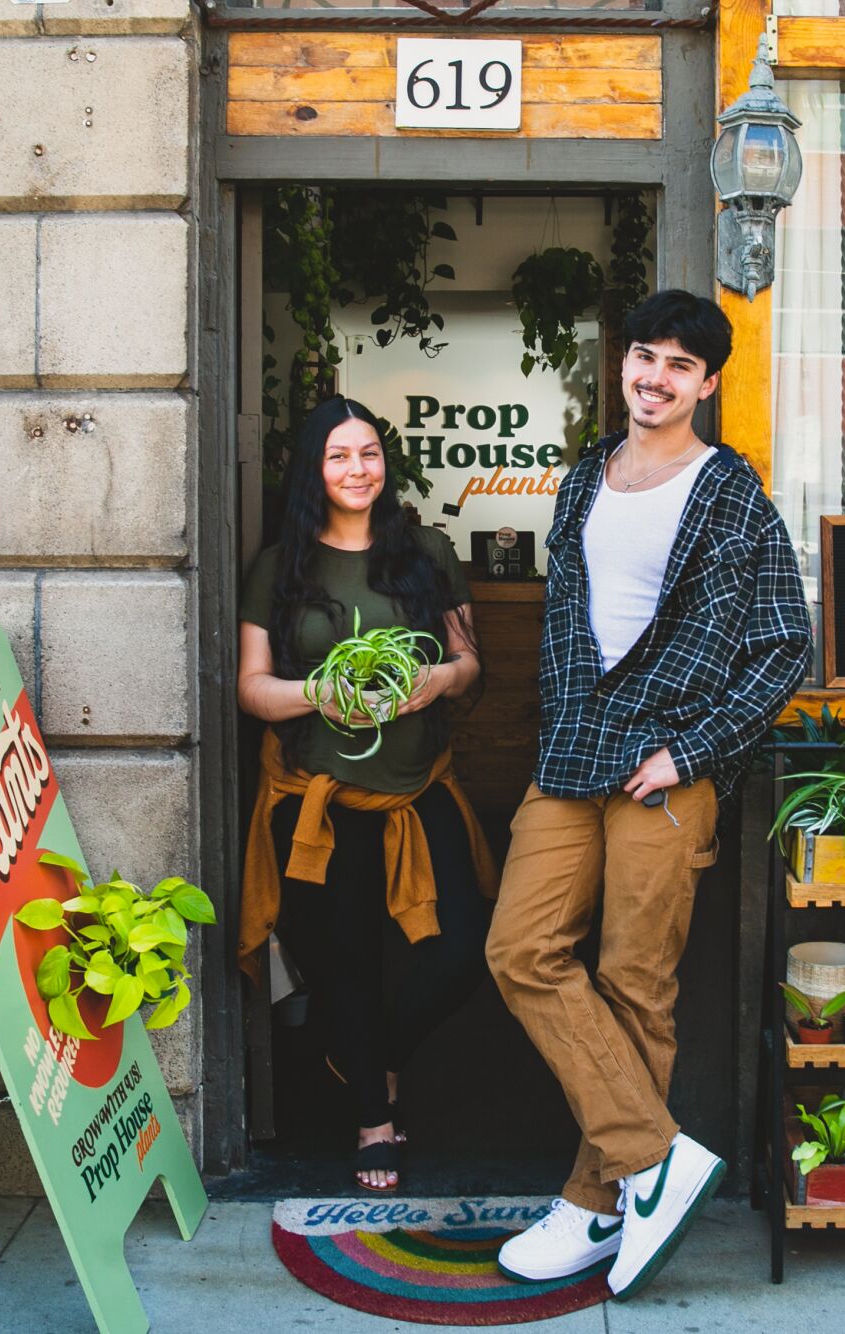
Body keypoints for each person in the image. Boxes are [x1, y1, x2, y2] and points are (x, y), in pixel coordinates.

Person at [488, 290, 813, 1298]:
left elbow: (782, 647)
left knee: (635, 980)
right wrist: (553, 723)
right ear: (620, 365)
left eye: (678, 363)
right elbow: (564, 620)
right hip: (572, 755)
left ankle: (595, 1202)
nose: (655, 376)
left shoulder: (729, 495)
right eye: (642, 355)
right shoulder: (583, 475)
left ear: (705, 384)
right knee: (519, 948)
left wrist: (694, 750)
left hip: (664, 774)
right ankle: (653, 1157)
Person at [238, 396, 496, 1194]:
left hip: (419, 791)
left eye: (371, 453)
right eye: (340, 456)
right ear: (315, 470)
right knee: (343, 960)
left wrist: (437, 680)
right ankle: (371, 1117)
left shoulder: (425, 551)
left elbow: (469, 664)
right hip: (319, 798)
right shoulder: (279, 565)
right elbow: (252, 689)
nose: (359, 470)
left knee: (463, 953)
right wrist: (317, 692)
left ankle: (368, 1059)